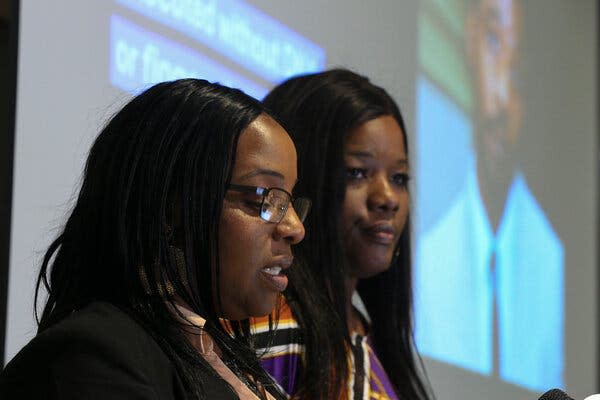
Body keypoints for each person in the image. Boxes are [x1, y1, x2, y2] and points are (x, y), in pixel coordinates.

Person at [0, 78, 310, 399]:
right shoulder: (96, 356)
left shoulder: (219, 355)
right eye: (263, 198)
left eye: (289, 201)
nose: (295, 227)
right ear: (170, 208)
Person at [250, 69, 431, 400]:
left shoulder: (372, 341)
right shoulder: (274, 327)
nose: (387, 199)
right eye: (357, 173)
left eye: (399, 178)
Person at [414, 0, 563, 391]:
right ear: (468, 43)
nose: (501, 98)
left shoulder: (552, 263)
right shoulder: (427, 252)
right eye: (494, 42)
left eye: (520, 73)